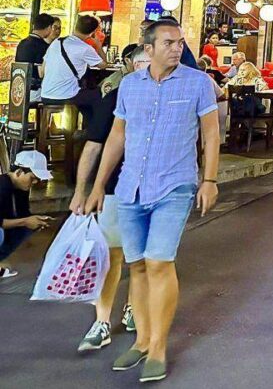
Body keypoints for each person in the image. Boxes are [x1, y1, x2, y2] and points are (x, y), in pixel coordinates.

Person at [85, 20, 221, 383]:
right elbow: (116, 138)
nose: (176, 48)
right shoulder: (130, 86)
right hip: (130, 188)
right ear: (148, 49)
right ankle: (142, 340)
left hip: (174, 186)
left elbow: (210, 132)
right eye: (168, 43)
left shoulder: (197, 83)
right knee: (138, 266)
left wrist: (209, 180)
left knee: (160, 262)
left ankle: (158, 347)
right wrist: (98, 186)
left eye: (180, 42)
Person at [72, 43, 149, 351]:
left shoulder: (170, 97)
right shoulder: (116, 97)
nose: (146, 66)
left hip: (155, 189)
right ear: (129, 65)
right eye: (140, 61)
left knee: (142, 256)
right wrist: (84, 190)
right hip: (117, 187)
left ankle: (132, 308)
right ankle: (102, 321)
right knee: (112, 255)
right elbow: (93, 145)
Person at [0, 150, 53, 278]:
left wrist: (36, 221)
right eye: (32, 178)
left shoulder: (21, 189)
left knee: (26, 229)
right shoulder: (2, 186)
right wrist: (25, 221)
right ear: (18, 172)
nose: (34, 183)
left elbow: (24, 214)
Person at [39, 13, 105, 104]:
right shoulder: (85, 48)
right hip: (67, 96)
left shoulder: (57, 42)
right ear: (92, 32)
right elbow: (104, 65)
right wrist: (99, 46)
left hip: (45, 95)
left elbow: (42, 72)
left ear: (75, 26)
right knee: (100, 95)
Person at [15, 13, 60, 98]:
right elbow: (41, 73)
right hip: (35, 91)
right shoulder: (42, 46)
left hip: (19, 88)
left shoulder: (22, 43)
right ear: (49, 27)